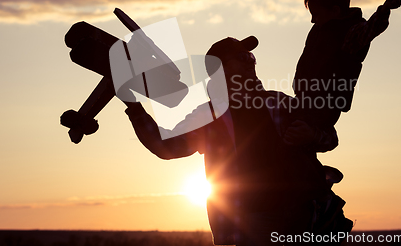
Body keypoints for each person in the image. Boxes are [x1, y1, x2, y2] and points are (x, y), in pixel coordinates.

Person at [122, 36, 341, 245]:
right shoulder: (210, 117)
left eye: (251, 57)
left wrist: (313, 135)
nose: (251, 62)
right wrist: (133, 106)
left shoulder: (280, 102)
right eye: (242, 57)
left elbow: (330, 138)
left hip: (303, 213)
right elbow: (166, 147)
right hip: (253, 218)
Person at [293, 0, 401, 139]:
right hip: (304, 98)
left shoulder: (350, 33)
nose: (312, 20)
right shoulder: (325, 19)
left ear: (335, 11)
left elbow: (372, 29)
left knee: (303, 135)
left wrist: (385, 9)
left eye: (316, 15)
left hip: (324, 105)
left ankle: (312, 141)